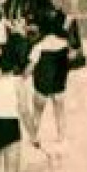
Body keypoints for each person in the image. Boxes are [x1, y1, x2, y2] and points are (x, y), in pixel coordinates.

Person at [28, 14, 71, 146]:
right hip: (59, 84)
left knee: (37, 113)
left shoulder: (38, 46)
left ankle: (34, 137)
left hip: (42, 85)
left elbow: (30, 66)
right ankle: (62, 136)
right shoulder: (64, 44)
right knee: (60, 111)